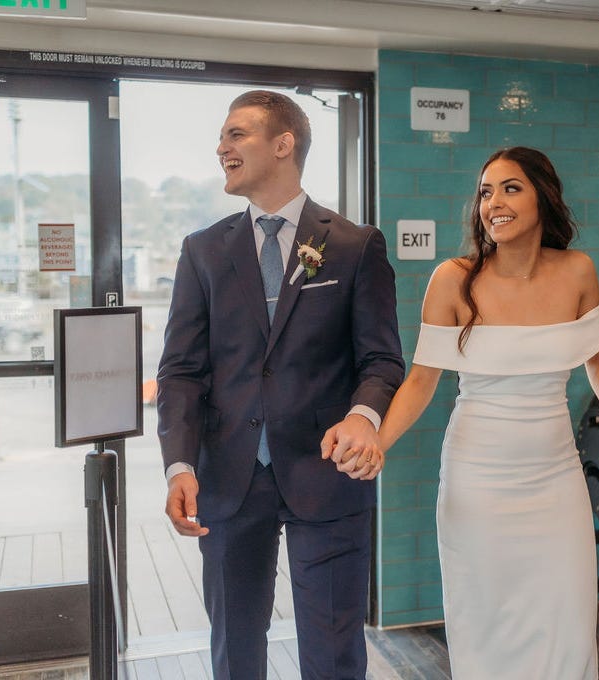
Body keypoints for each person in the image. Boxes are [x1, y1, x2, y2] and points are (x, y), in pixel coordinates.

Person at [367, 146, 599, 679]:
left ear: (544, 197)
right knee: (486, 625)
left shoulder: (578, 271)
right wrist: (377, 441)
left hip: (555, 480)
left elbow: (597, 353)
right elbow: (422, 381)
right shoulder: (453, 278)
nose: (494, 201)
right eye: (486, 191)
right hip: (478, 482)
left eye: (511, 187)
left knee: (566, 619)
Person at [156, 90, 404, 680]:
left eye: (237, 134)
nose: (222, 147)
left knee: (335, 646)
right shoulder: (203, 251)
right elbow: (181, 370)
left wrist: (364, 417)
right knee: (235, 645)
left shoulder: (353, 245)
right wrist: (179, 464)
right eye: (223, 137)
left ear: (283, 144)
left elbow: (382, 361)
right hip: (228, 478)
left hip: (329, 473)